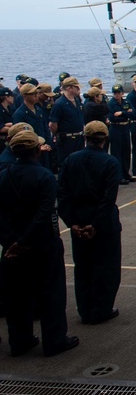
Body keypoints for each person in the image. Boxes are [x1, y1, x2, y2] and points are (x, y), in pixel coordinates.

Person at [0, 129, 79, 357]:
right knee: (51, 294)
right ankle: (54, 341)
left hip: (12, 247)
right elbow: (44, 213)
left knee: (17, 297)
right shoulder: (44, 177)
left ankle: (20, 341)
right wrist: (26, 241)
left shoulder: (4, 176)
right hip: (42, 244)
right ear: (36, 150)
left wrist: (12, 242)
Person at [57, 121, 122, 325]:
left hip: (78, 222)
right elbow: (108, 198)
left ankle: (85, 309)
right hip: (102, 224)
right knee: (106, 266)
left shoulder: (70, 160)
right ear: (105, 139)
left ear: (85, 138)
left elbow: (63, 194)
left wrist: (72, 223)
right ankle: (102, 309)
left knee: (83, 267)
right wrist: (95, 224)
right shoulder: (111, 163)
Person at [48, 76, 85, 173]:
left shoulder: (76, 101)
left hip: (79, 137)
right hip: (67, 139)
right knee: (66, 165)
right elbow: (53, 124)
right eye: (76, 87)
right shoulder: (59, 104)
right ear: (69, 88)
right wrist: (57, 134)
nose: (78, 89)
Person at [107, 84, 134, 185]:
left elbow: (133, 113)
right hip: (116, 128)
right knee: (117, 153)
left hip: (125, 128)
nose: (117, 95)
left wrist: (122, 113)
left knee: (126, 152)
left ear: (122, 93)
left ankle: (126, 173)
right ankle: (119, 176)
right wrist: (126, 113)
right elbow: (112, 117)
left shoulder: (126, 102)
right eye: (115, 93)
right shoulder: (111, 104)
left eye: (119, 92)